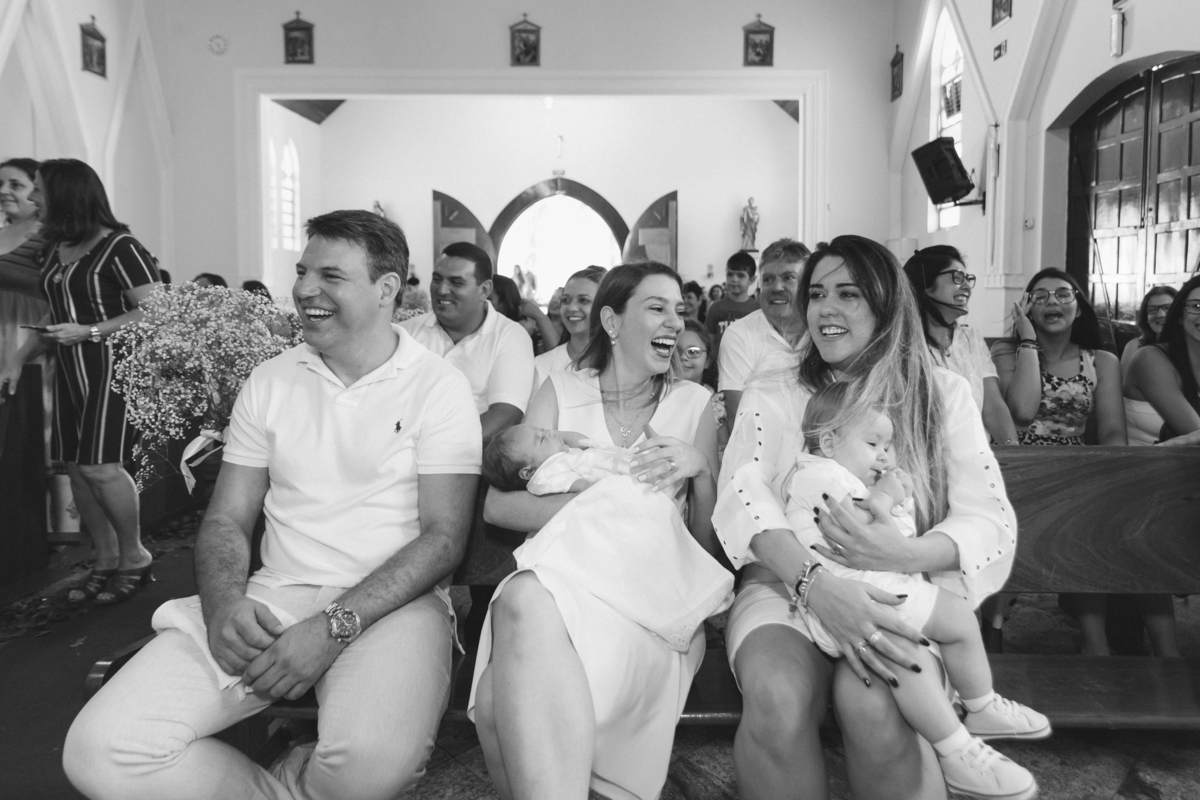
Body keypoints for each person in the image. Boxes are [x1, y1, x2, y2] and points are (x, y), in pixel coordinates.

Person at [63, 209, 482, 800]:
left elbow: (443, 539)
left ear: (387, 289)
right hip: (275, 595)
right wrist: (224, 603)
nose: (306, 289)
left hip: (396, 604)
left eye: (331, 276)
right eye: (302, 271)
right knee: (99, 751)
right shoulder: (271, 379)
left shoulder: (439, 386)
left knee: (370, 768)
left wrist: (333, 628)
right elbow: (228, 518)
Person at [714, 235, 1018, 800]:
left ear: (886, 304)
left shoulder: (940, 394)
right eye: (818, 294)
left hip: (893, 586)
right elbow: (742, 496)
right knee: (778, 696)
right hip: (783, 586)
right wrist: (816, 583)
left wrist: (900, 555)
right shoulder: (775, 392)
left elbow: (987, 520)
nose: (826, 308)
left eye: (848, 294)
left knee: (876, 700)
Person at [470, 262, 722, 799]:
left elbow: (703, 547)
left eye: (678, 310)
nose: (674, 323)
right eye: (656, 308)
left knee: (500, 691)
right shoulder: (561, 388)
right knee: (523, 600)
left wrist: (699, 472)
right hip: (569, 579)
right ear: (611, 320)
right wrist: (603, 501)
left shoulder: (694, 405)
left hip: (652, 599)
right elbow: (499, 506)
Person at [787, 382, 1046, 799]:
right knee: (956, 619)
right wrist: (888, 496)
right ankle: (973, 720)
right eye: (873, 443)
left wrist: (892, 502)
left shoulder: (836, 474)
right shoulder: (818, 475)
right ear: (829, 440)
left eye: (888, 445)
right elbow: (864, 531)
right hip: (856, 593)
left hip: (865, 590)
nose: (885, 456)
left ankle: (966, 730)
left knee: (911, 654)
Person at [0, 159, 161, 605]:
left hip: (113, 366)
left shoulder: (120, 246)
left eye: (38, 191)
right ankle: (105, 558)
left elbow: (154, 311)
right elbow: (57, 310)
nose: (32, 199)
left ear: (64, 195)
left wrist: (90, 331)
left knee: (100, 467)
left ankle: (135, 554)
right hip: (69, 368)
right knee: (76, 469)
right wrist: (17, 358)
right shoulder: (56, 249)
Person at [991, 268, 1138, 657]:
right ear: (1026, 308)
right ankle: (992, 630)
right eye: (1039, 297)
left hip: (1074, 468)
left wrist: (1107, 481)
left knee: (1090, 525)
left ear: (1078, 305)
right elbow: (1021, 411)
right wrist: (1026, 340)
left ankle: (1095, 639)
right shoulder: (1005, 353)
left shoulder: (1102, 360)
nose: (1052, 302)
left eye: (1062, 294)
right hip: (1015, 466)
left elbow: (1111, 433)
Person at [481, 423, 732, 651]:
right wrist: (609, 491)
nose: (550, 432)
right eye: (541, 439)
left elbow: (580, 438)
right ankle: (685, 602)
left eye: (544, 430)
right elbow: (580, 489)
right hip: (608, 522)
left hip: (641, 503)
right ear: (527, 472)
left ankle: (688, 598)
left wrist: (558, 439)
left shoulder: (562, 454)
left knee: (660, 552)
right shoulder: (547, 473)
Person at [401, 242, 535, 445]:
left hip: (471, 459)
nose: (442, 290)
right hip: (404, 450)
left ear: (484, 290)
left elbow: (505, 414)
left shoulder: (509, 336)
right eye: (437, 279)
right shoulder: (408, 332)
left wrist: (438, 449)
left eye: (456, 282)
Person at [903, 247, 1019, 447]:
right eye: (956, 278)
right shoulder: (903, 344)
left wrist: (1014, 455)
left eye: (968, 279)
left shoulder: (970, 340)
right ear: (926, 285)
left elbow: (993, 408)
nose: (967, 287)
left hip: (977, 459)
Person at [718, 238, 809, 431]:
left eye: (788, 278)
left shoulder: (822, 331)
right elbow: (740, 419)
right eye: (768, 279)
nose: (776, 287)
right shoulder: (739, 335)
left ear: (808, 285)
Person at [1126, 275, 1200, 442]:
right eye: (1196, 306)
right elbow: (1196, 434)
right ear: (1179, 316)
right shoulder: (1149, 358)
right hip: (1145, 464)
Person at [530, 265, 605, 400]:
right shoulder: (542, 366)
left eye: (583, 300)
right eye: (566, 300)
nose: (572, 307)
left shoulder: (622, 363)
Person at [0, 158, 49, 365]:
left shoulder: (52, 237)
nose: (4, 191)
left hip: (30, 333)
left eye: (16, 185)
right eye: (0, 184)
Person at [1122, 285, 1180, 444]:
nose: (1161, 314)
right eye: (1153, 310)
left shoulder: (1192, 352)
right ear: (1145, 317)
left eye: (1167, 308)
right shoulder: (1135, 348)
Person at [489, 273, 559, 356]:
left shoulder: (523, 327)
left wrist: (539, 316)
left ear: (504, 302)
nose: (483, 303)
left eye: (488, 299)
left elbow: (555, 356)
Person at [705, 251, 759, 349]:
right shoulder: (715, 308)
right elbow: (709, 340)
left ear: (752, 280)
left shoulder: (757, 309)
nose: (734, 279)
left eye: (740, 275)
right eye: (730, 274)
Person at [676, 318, 714, 388]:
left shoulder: (713, 397)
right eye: (677, 351)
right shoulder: (653, 394)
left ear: (707, 361)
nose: (683, 357)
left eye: (693, 351)